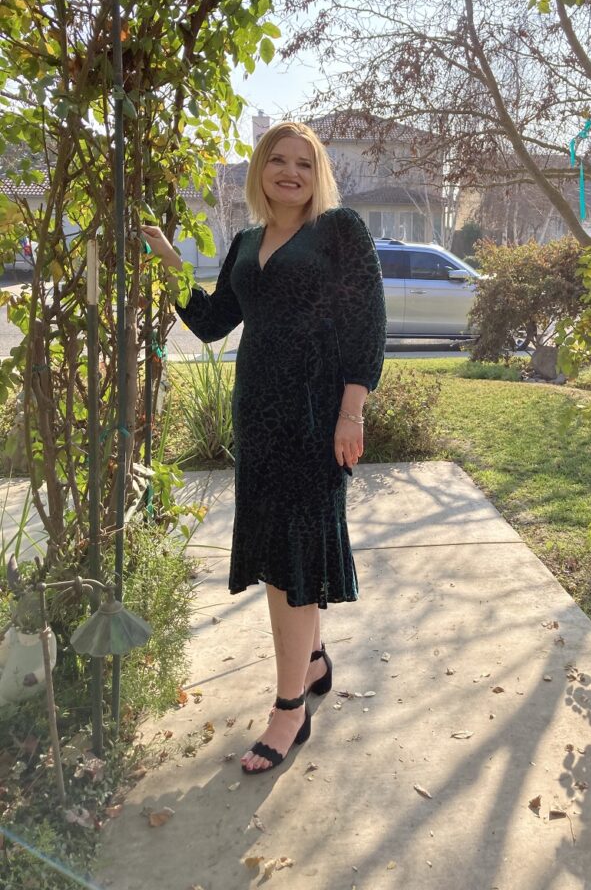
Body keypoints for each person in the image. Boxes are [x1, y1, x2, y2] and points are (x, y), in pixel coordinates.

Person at [142, 120, 386, 774]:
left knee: (292, 560)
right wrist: (171, 264)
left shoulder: (340, 232)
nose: (290, 173)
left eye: (303, 163)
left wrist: (351, 413)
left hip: (314, 417)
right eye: (278, 160)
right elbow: (217, 320)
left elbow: (367, 325)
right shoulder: (247, 241)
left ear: (318, 174)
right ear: (259, 170)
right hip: (258, 418)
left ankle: (289, 710)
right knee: (286, 549)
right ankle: (313, 660)